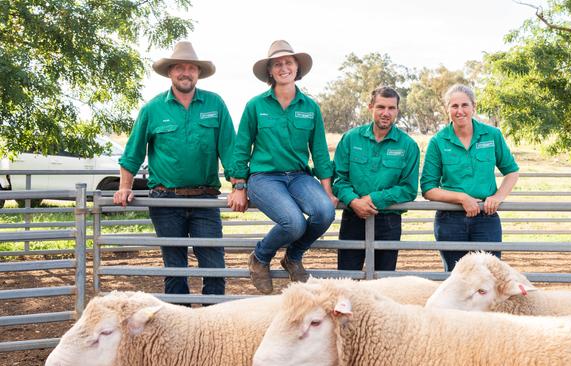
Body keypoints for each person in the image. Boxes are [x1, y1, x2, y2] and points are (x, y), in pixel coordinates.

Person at [114, 41, 235, 298]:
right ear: (170, 72)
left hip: (205, 198)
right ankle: (179, 325)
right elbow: (132, 152)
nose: (185, 72)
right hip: (165, 199)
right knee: (175, 267)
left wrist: (239, 186)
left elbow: (230, 151)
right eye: (179, 67)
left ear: (198, 73)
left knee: (214, 266)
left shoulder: (215, 105)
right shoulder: (152, 109)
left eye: (191, 68)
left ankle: (213, 324)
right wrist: (124, 186)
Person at [228, 40, 337, 294]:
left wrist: (327, 191)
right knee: (293, 223)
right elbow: (241, 147)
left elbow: (319, 152)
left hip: (299, 176)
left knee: (324, 212)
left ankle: (293, 256)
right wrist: (239, 186)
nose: (283, 67)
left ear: (297, 68)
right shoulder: (255, 106)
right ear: (270, 71)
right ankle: (260, 256)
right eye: (277, 64)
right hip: (265, 177)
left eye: (288, 62)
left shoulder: (310, 107)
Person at [421, 84, 519, 272]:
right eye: (454, 106)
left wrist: (498, 197)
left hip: (486, 217)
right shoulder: (438, 141)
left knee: (489, 275)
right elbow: (428, 188)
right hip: (450, 219)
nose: (460, 111)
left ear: (474, 106)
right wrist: (462, 198)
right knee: (457, 277)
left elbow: (512, 172)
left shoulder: (492, 135)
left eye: (465, 105)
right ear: (447, 109)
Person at [333, 86, 420, 272]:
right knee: (347, 278)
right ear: (370, 107)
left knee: (384, 281)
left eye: (391, 108)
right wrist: (354, 201)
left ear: (397, 110)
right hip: (353, 216)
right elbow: (338, 179)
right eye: (381, 107)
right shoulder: (350, 139)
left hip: (388, 220)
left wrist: (373, 199)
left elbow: (408, 188)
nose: (386, 113)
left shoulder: (408, 146)